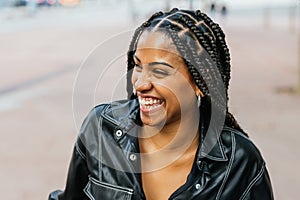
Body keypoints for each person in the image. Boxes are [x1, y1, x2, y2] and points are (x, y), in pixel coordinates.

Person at [49, 8, 274, 200]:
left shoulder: (239, 161)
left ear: (200, 82)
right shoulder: (100, 130)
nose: (140, 84)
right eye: (137, 66)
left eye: (159, 71)